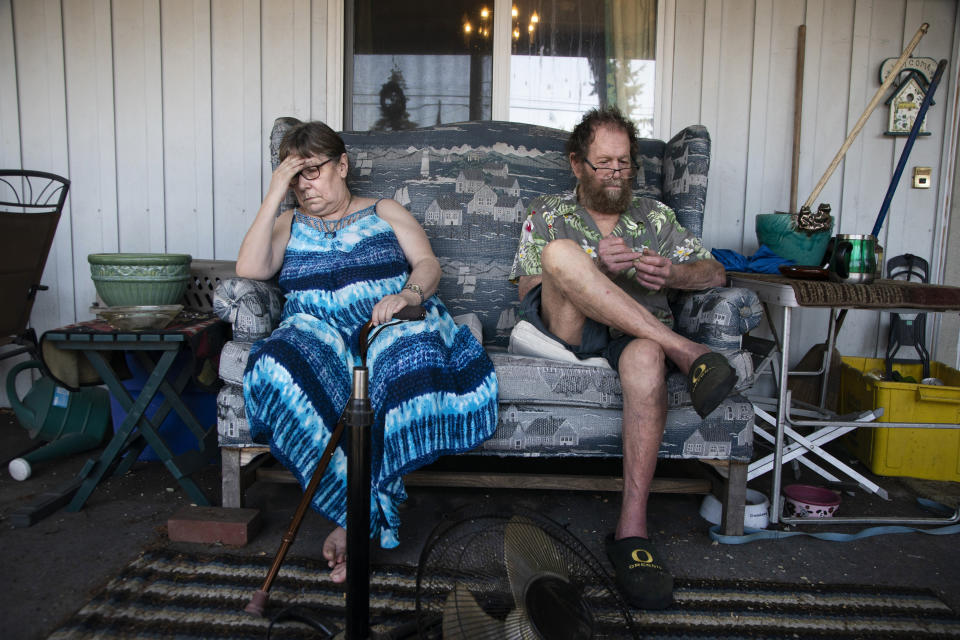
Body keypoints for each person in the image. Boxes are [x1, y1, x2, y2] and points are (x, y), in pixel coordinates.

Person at [237, 120, 498, 583]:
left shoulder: (384, 210)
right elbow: (251, 267)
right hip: (315, 330)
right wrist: (275, 191)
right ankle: (353, 512)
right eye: (293, 175)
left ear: (343, 165)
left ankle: (355, 521)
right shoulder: (286, 220)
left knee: (401, 364)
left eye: (312, 171)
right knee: (276, 364)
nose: (304, 184)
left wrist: (410, 296)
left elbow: (427, 263)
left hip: (384, 323)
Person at [509, 107, 737, 609]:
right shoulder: (546, 211)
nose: (615, 174)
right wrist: (591, 265)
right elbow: (529, 287)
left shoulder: (655, 216)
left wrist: (674, 276)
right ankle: (688, 352)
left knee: (645, 359)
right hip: (569, 335)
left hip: (634, 337)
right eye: (603, 164)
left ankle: (631, 532)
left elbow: (715, 273)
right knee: (561, 255)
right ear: (576, 164)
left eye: (624, 164)